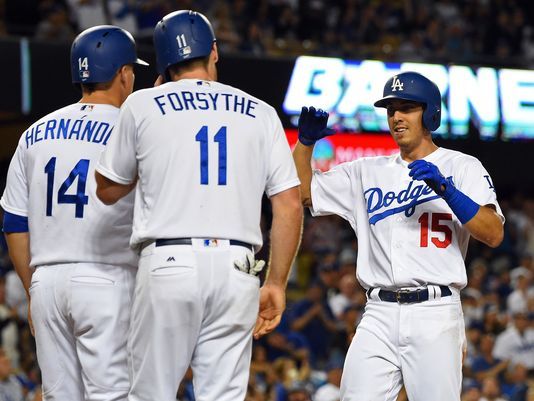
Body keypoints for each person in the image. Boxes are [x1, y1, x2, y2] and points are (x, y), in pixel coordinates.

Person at [94, 10, 302, 401]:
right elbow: (289, 203)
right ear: (215, 52)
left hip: (169, 263)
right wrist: (274, 281)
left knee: (150, 394)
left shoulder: (142, 105)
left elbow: (106, 189)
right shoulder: (260, 111)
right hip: (238, 269)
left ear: (163, 61)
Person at [292, 71, 504, 401]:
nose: (397, 117)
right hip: (378, 312)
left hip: (435, 312)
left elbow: (493, 233)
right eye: (391, 109)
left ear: (431, 113)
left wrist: (447, 190)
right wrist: (304, 145)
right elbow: (304, 193)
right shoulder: (365, 171)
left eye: (407, 107)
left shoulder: (462, 166)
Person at [0, 25, 147, 400]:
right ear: (123, 74)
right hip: (107, 277)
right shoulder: (133, 128)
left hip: (47, 281)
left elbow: (15, 223)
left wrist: (34, 290)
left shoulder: (34, 132)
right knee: (113, 394)